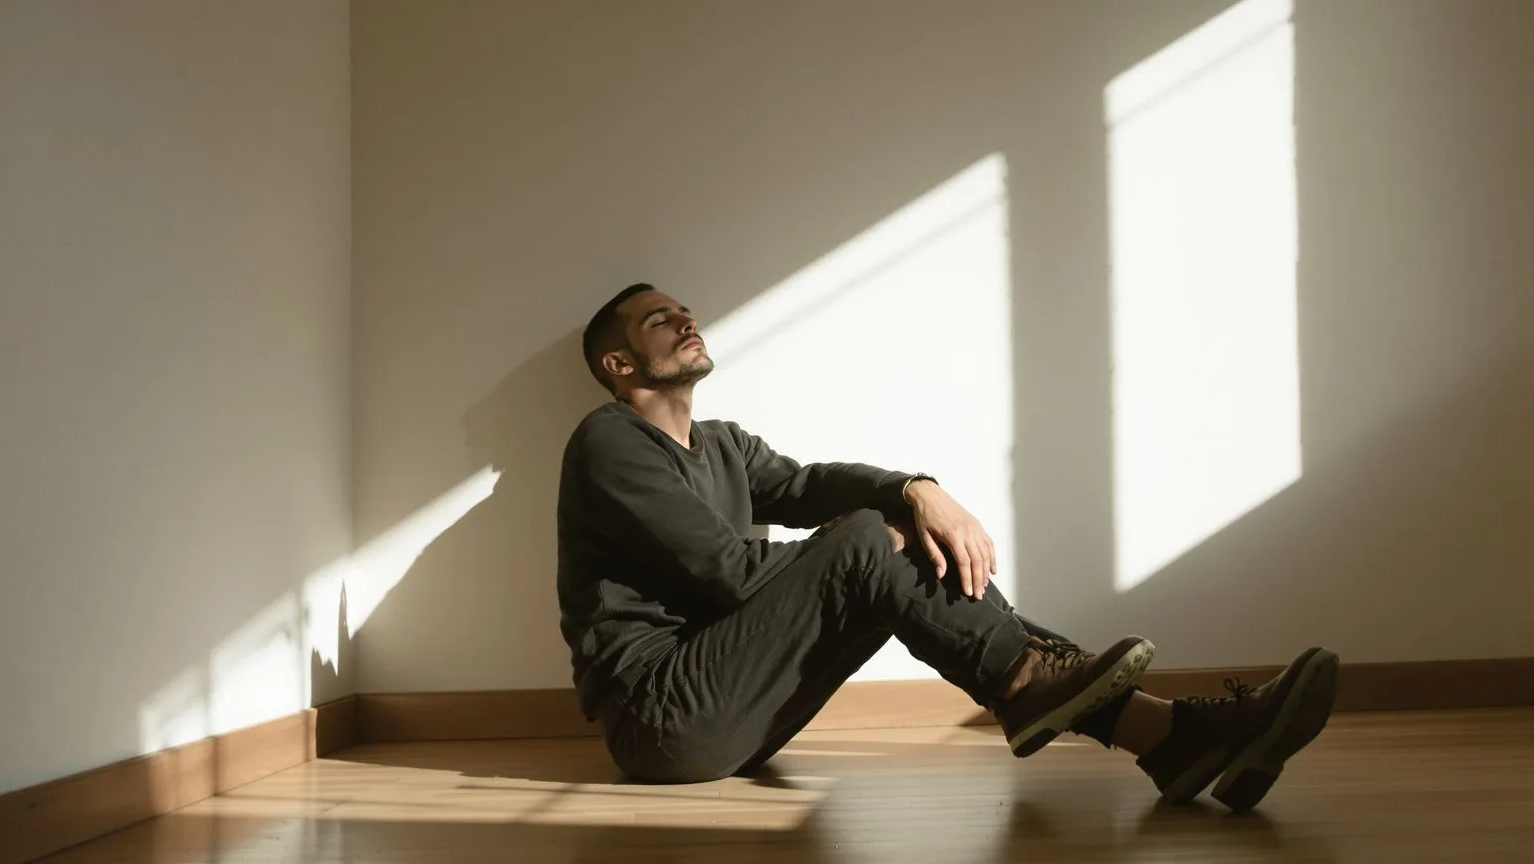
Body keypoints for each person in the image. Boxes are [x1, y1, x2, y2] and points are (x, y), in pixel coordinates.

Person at [555, 282, 1340, 812]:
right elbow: (726, 576)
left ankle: (1174, 739)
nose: (688, 320)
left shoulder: (723, 445)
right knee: (872, 544)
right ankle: (1041, 677)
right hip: (662, 717)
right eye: (662, 320)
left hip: (734, 710)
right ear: (619, 366)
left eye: (685, 310)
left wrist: (916, 490)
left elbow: (814, 484)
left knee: (886, 534)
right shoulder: (609, 443)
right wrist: (879, 531)